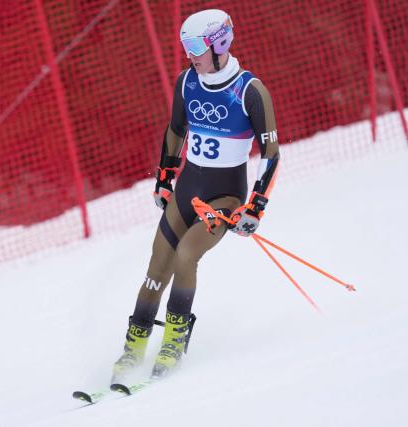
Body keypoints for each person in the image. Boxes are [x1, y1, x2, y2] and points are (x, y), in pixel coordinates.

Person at [112, 9, 280, 382]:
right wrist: (164, 177)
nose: (190, 55)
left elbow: (272, 154)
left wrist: (256, 206)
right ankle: (133, 348)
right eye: (185, 47)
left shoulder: (250, 91)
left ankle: (173, 342)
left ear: (220, 44)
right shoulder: (187, 82)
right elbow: (175, 130)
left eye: (195, 47)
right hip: (187, 191)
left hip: (225, 200)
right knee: (157, 266)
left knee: (187, 255)